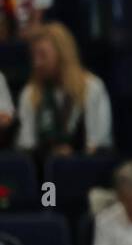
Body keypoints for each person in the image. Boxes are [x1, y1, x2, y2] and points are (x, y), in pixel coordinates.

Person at [15, 22, 113, 160]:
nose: (37, 63)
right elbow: (26, 145)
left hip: (86, 166)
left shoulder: (92, 87)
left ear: (62, 54)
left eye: (43, 55)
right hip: (44, 170)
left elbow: (97, 143)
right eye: (34, 56)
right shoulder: (30, 93)